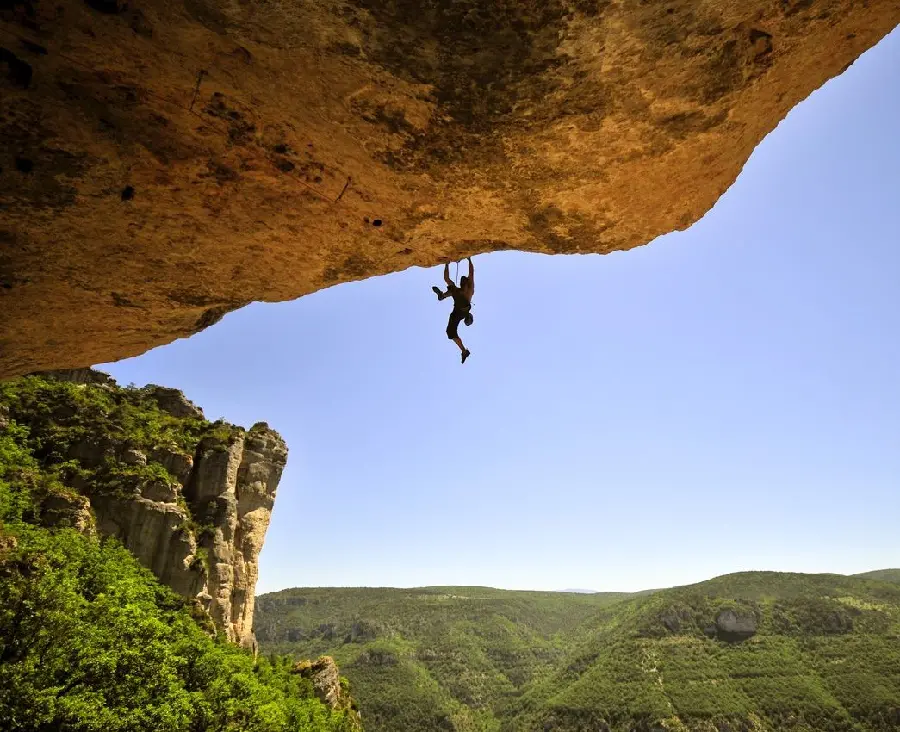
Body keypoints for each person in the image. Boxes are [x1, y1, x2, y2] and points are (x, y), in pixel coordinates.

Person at [432, 257, 474, 364]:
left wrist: (469, 260)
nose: (461, 284)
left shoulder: (470, 289)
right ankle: (442, 295)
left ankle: (443, 295)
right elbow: (446, 278)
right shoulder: (459, 290)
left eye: (462, 283)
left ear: (465, 283)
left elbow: (471, 273)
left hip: (463, 309)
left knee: (454, 291)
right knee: (449, 332)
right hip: (457, 311)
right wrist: (446, 264)